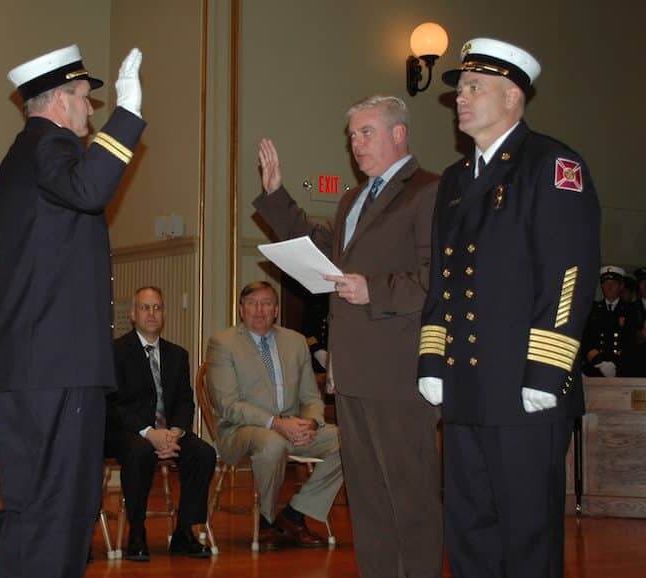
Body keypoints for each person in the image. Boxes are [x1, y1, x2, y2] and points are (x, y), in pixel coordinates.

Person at [417, 38, 600, 578]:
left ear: (514, 96)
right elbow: (442, 281)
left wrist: (547, 369)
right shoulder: (454, 180)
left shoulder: (551, 163)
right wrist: (432, 358)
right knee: (468, 529)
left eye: (475, 88)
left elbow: (569, 275)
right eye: (459, 91)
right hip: (467, 386)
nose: (461, 100)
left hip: (526, 388)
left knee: (527, 535)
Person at [255, 95, 441, 578]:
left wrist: (371, 288)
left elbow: (437, 279)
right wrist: (276, 196)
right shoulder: (354, 198)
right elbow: (326, 252)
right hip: (354, 371)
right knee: (368, 497)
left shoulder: (428, 191)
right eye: (352, 135)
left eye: (366, 132)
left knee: (410, 493)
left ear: (398, 133)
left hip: (400, 372)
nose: (355, 144)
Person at [0, 44, 145, 578]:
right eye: (84, 98)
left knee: (32, 513)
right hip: (58, 370)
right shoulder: (50, 145)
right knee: (62, 512)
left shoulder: (20, 156)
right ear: (58, 100)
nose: (90, 111)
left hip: (33, 368)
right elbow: (90, 187)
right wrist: (129, 115)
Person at [206, 281, 342, 551]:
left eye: (266, 303)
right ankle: (267, 522)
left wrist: (311, 421)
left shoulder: (295, 341)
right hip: (242, 430)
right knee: (272, 443)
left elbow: (311, 398)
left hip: (294, 427)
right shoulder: (223, 343)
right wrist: (277, 424)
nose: (259, 309)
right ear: (241, 309)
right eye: (252, 303)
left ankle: (294, 514)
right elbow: (228, 404)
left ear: (276, 310)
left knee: (348, 440)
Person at [106, 286, 215, 561]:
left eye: (157, 307)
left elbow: (184, 401)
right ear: (132, 314)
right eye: (145, 307)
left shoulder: (177, 354)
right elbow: (113, 405)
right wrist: (150, 434)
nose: (151, 313)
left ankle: (184, 533)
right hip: (127, 432)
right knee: (139, 451)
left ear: (164, 314)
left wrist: (175, 433)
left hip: (168, 431)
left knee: (203, 453)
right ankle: (137, 532)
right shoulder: (115, 351)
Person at [582, 266, 640, 377]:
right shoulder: (593, 309)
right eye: (605, 283)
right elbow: (586, 339)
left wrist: (614, 363)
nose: (609, 287)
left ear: (621, 286)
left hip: (623, 369)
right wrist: (598, 361)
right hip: (595, 368)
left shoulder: (631, 310)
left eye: (613, 283)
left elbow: (632, 341)